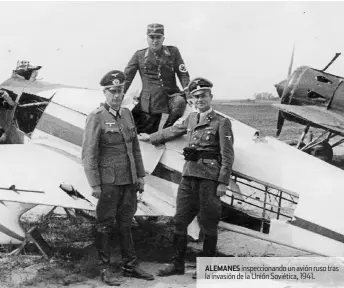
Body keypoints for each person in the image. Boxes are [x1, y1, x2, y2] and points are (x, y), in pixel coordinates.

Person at [137, 77, 234, 278]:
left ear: (211, 97)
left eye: (203, 96)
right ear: (192, 99)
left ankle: (207, 270)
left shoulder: (221, 123)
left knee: (208, 223)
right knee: (179, 221)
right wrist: (151, 137)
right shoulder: (191, 119)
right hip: (188, 177)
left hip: (209, 179)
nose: (200, 99)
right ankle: (177, 265)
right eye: (196, 96)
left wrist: (223, 182)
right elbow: (174, 130)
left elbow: (227, 155)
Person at [82, 70, 155, 286]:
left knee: (126, 223)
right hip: (109, 182)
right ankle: (105, 269)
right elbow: (89, 154)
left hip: (129, 180)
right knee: (104, 224)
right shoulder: (96, 117)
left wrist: (140, 175)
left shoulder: (126, 114)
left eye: (120, 91)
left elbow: (135, 148)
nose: (116, 95)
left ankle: (130, 265)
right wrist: (94, 183)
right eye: (112, 91)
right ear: (105, 92)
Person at [124, 23, 190, 134]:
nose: (155, 41)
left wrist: (189, 94)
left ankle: (166, 131)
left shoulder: (173, 52)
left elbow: (183, 73)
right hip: (151, 100)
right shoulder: (139, 55)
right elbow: (127, 77)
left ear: (163, 38)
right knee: (145, 128)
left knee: (179, 102)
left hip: (171, 96)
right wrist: (119, 95)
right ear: (147, 38)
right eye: (152, 37)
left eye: (158, 37)